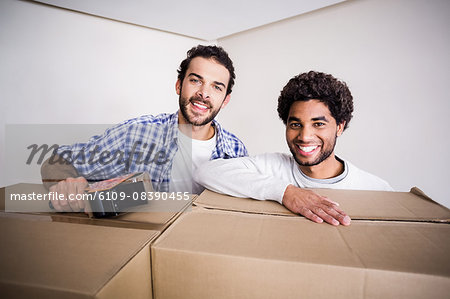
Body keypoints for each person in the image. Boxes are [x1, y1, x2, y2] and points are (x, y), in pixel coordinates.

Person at [41, 45, 248, 212]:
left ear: (225, 100)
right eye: (195, 80)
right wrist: (66, 184)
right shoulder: (136, 134)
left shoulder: (236, 152)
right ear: (179, 85)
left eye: (216, 87)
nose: (204, 93)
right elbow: (57, 160)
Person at [195, 71, 393, 226]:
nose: (304, 137)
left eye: (318, 124)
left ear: (339, 126)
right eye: (296, 124)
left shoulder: (375, 189)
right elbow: (206, 172)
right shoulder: (273, 167)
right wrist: (286, 193)